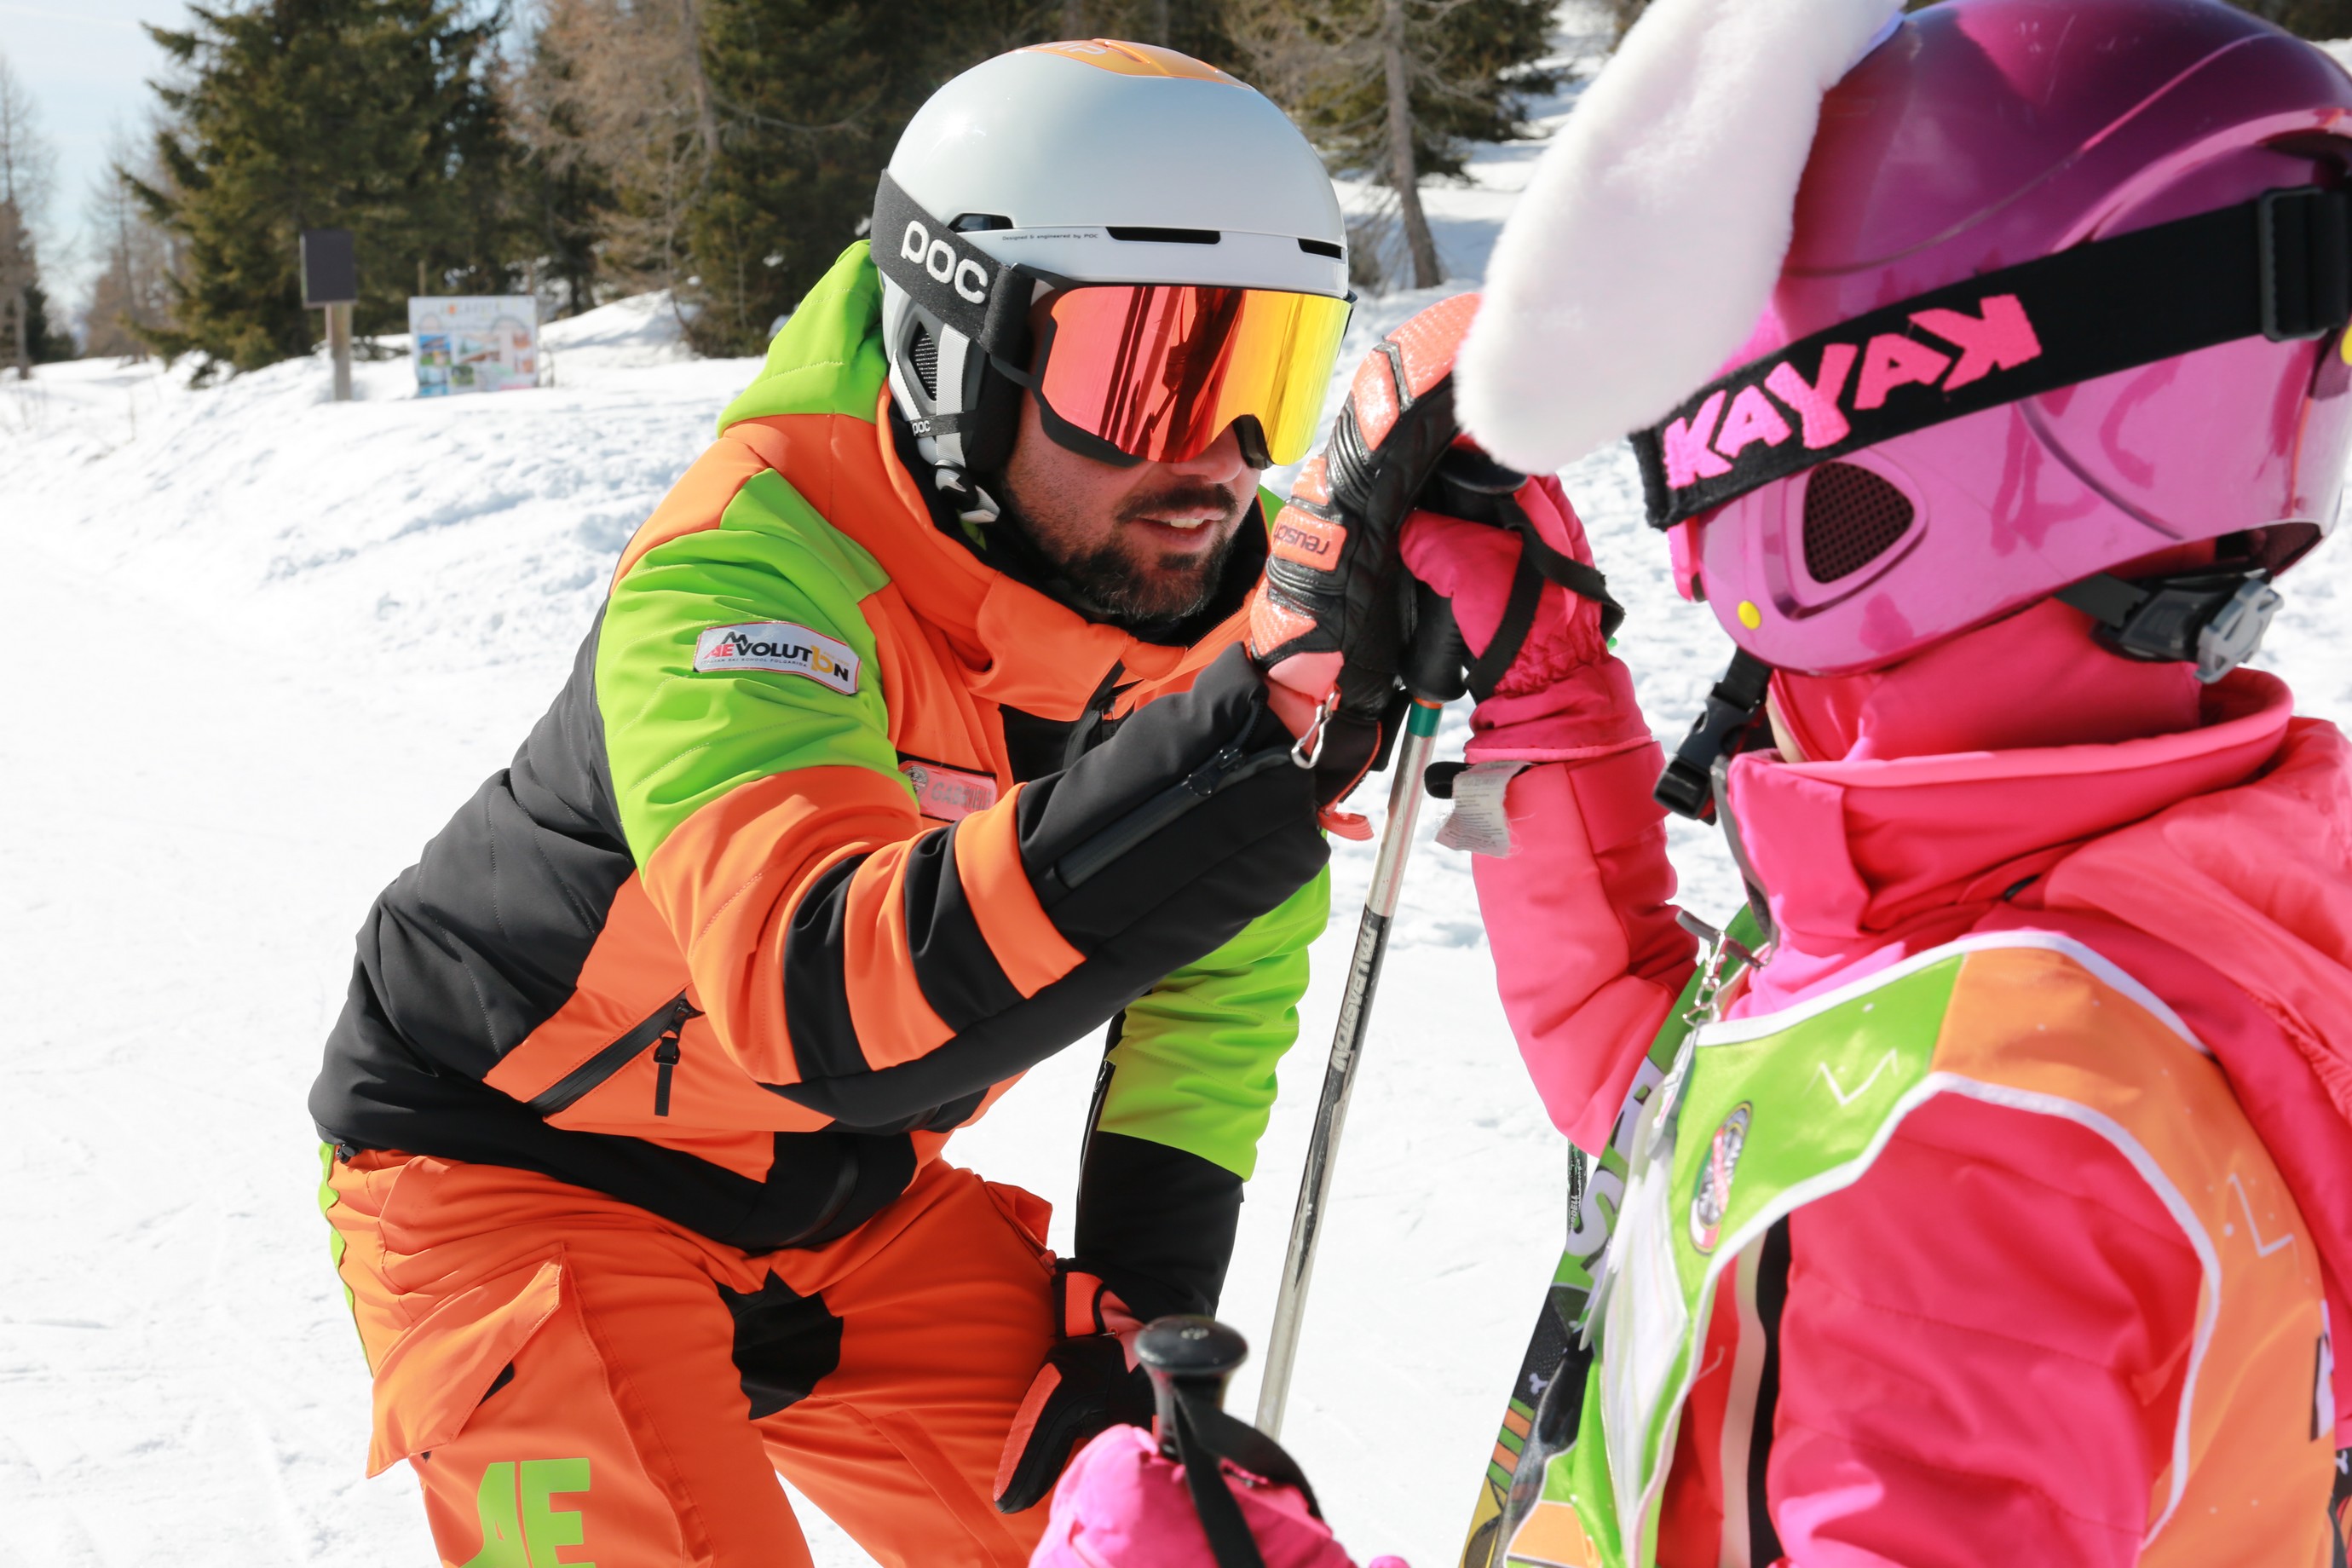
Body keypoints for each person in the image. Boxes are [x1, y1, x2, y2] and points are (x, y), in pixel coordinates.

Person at [1038, 0, 2352, 1562]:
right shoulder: (2180, 888)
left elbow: (1877, 1193)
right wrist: (1549, 704)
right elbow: (1715, 1116)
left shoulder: (1972, 1149)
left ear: (1858, 440)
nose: (1684, 525)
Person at [308, 38, 1428, 1567]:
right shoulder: (742, 572)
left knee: (1158, 1540)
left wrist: (1142, 1323)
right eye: (1152, 372)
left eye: (1269, 380)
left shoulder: (1194, 611)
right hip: (511, 1183)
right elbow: (815, 1000)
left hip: (839, 1206)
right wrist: (1251, 738)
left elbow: (1214, 979)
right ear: (952, 347)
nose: (1217, 464)